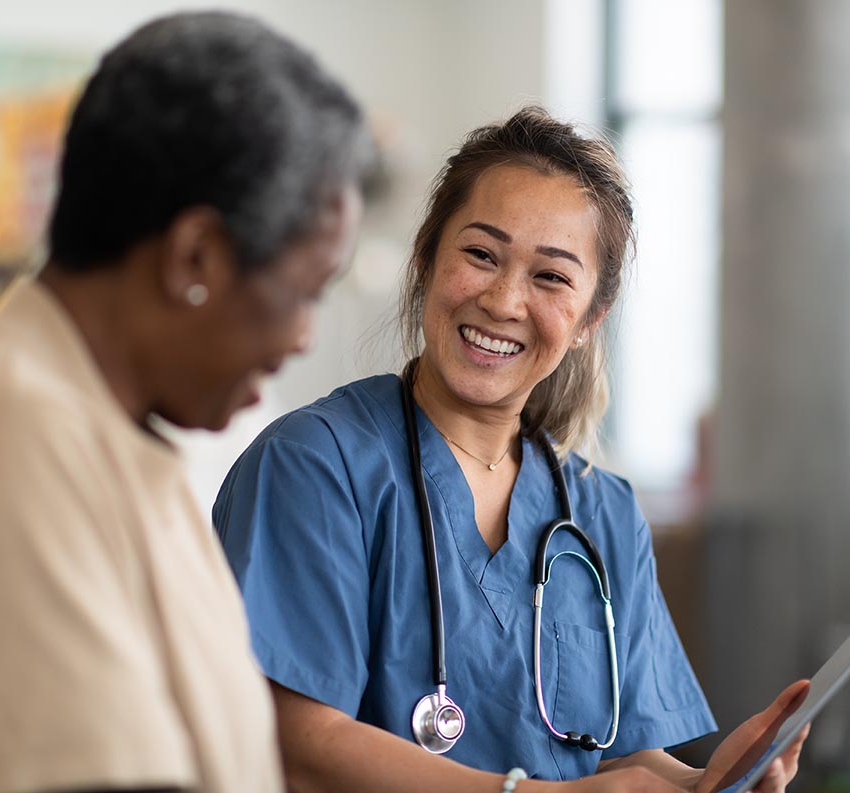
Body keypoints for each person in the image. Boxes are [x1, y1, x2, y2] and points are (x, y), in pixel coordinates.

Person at [214, 107, 809, 793]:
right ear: (427, 259)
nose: (502, 300)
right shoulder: (315, 466)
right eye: (479, 254)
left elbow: (612, 758)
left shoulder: (602, 511)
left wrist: (702, 781)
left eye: (550, 277)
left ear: (589, 319)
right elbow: (297, 740)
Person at [0, 12, 367, 793]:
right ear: (195, 256)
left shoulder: (103, 429)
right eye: (303, 292)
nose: (302, 338)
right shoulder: (10, 435)